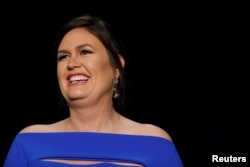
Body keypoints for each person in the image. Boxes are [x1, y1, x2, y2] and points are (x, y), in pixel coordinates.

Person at [4, 14, 184, 167]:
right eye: (63, 56)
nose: (72, 63)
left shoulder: (155, 143)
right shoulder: (28, 142)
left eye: (85, 52)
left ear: (116, 68)